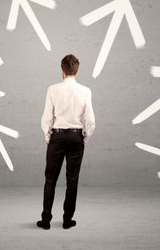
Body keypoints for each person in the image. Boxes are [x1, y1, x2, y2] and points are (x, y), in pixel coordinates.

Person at [37, 54, 96, 230]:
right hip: (76, 137)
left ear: (62, 70)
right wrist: (84, 136)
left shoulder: (52, 89)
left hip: (57, 136)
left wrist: (48, 137)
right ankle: (67, 220)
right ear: (76, 70)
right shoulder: (86, 91)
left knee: (50, 179)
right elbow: (91, 120)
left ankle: (46, 220)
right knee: (72, 179)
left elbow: (47, 117)